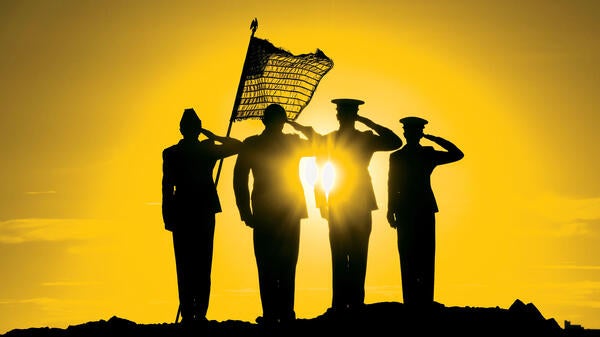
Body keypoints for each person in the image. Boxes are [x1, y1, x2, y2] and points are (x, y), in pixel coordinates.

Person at [315, 98, 403, 316]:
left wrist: (368, 122)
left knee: (356, 254)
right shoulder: (333, 140)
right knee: (344, 254)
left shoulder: (362, 138)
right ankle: (343, 304)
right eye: (341, 113)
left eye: (344, 113)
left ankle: (352, 304)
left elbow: (395, 142)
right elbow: (318, 173)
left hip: (356, 201)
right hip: (340, 200)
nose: (340, 116)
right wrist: (321, 203)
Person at [233, 103, 316, 326]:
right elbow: (320, 145)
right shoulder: (290, 142)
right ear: (280, 121)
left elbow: (239, 181)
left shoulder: (253, 143)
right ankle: (284, 312)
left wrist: (245, 211)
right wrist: (302, 129)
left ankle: (274, 312)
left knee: (269, 264)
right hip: (282, 211)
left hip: (268, 211)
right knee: (285, 263)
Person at [162, 108, 242, 325]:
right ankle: (192, 311)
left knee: (198, 262)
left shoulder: (188, 151)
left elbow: (238, 147)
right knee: (193, 263)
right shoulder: (177, 153)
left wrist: (212, 138)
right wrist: (213, 137)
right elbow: (167, 186)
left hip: (195, 211)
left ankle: (196, 312)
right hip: (189, 211)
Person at [386, 116, 464, 311]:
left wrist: (433, 139)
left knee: (426, 255)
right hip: (407, 209)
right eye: (410, 132)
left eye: (415, 132)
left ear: (418, 134)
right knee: (408, 255)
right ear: (405, 133)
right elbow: (391, 184)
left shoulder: (426, 154)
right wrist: (390, 209)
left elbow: (457, 154)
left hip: (422, 208)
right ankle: (411, 301)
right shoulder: (397, 156)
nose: (411, 135)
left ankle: (425, 300)